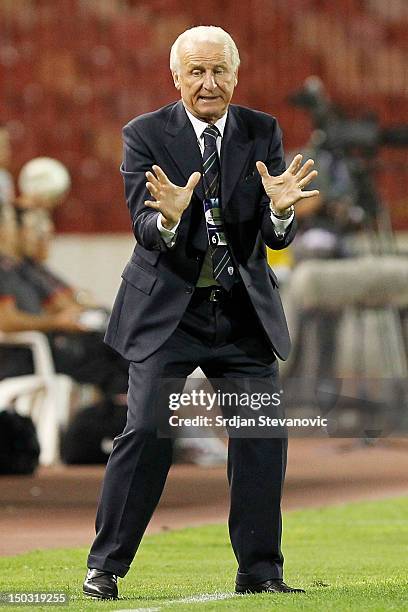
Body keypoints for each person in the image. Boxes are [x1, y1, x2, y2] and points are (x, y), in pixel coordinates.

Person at [83, 25, 318, 600]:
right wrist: (167, 217)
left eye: (219, 71)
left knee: (262, 435)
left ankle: (261, 573)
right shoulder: (143, 135)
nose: (208, 83)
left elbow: (272, 232)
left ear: (235, 76)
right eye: (196, 72)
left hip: (241, 313)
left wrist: (283, 215)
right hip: (170, 313)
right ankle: (105, 567)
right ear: (176, 77)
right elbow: (147, 230)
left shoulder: (262, 130)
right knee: (146, 432)